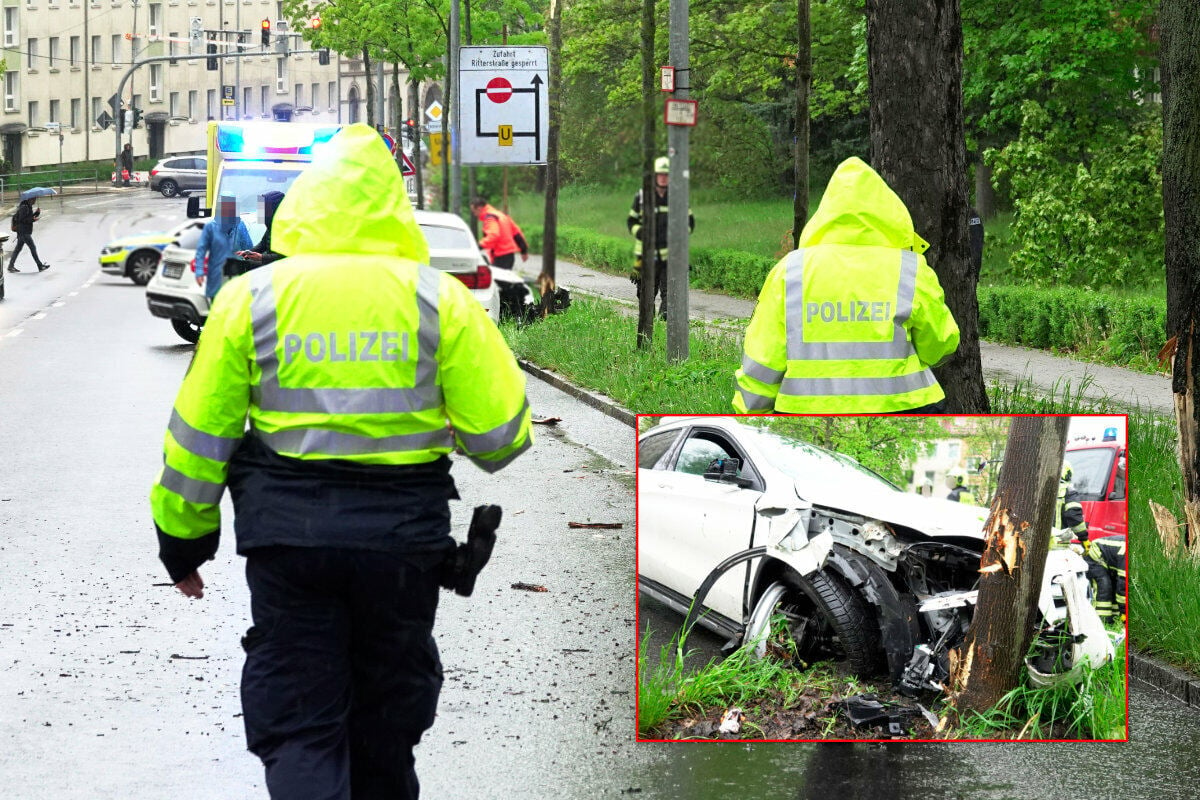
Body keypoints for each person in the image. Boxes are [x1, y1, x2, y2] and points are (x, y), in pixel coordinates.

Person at [149, 123, 532, 800]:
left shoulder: (252, 297)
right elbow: (500, 440)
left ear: (306, 201)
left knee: (300, 725)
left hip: (288, 547)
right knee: (386, 728)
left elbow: (198, 438)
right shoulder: (438, 299)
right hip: (401, 551)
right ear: (394, 207)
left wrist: (183, 543)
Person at [733, 157, 959, 414]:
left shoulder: (790, 271)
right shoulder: (910, 268)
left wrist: (753, 416)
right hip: (904, 407)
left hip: (806, 411)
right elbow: (940, 344)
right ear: (888, 212)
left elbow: (763, 359)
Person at [627, 156, 693, 319]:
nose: (663, 178)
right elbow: (632, 220)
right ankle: (648, 325)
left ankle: (665, 327)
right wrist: (639, 232)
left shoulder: (678, 196)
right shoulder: (643, 196)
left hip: (672, 256)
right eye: (660, 175)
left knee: (670, 296)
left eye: (667, 175)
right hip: (647, 256)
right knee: (645, 295)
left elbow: (689, 222)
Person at [193, 193, 252, 300]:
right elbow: (201, 251)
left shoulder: (240, 225)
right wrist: (199, 271)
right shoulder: (210, 227)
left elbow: (249, 248)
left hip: (237, 276)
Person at [469, 196, 528, 270]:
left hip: (500, 255)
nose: (475, 215)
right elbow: (516, 233)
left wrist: (478, 246)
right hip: (509, 255)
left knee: (498, 280)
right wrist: (524, 250)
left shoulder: (490, 218)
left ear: (479, 208)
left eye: (474, 212)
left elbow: (493, 235)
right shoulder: (501, 215)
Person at [236, 190, 286, 267]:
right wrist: (248, 252)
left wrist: (261, 257)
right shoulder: (272, 225)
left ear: (274, 209)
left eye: (264, 209)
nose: (261, 212)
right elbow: (263, 244)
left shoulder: (287, 228)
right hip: (271, 263)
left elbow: (285, 256)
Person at [1084, 535, 1126, 622]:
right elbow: (1123, 588)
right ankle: (1101, 620)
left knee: (1114, 585)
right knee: (1104, 585)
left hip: (1109, 558)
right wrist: (1125, 613)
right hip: (1095, 556)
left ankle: (1115, 618)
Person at [6, 197, 49, 273]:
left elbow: (28, 217)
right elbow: (22, 220)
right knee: (33, 248)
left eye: (35, 199)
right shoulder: (24, 207)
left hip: (22, 232)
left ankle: (10, 266)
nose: (35, 201)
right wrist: (33, 220)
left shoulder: (27, 206)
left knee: (17, 250)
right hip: (24, 232)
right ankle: (40, 266)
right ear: (30, 199)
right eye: (34, 199)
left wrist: (36, 213)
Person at [1054, 461, 1088, 546]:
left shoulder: (1039, 488)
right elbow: (1074, 516)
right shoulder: (1068, 491)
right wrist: (1084, 538)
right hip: (1057, 541)